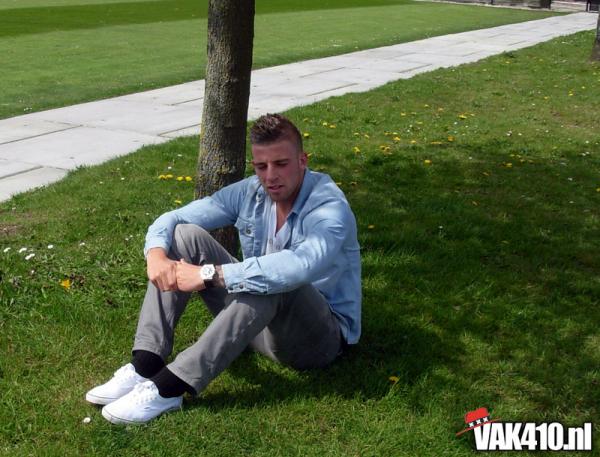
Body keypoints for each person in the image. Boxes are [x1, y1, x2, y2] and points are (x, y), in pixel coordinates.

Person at [86, 113, 361, 424]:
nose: (270, 176)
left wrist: (209, 275)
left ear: (302, 161)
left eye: (281, 164)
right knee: (184, 235)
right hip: (257, 325)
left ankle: (171, 387)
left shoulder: (329, 207)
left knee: (273, 277)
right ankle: (146, 362)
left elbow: (299, 266)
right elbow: (175, 219)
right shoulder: (251, 192)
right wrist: (156, 255)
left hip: (317, 341)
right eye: (261, 166)